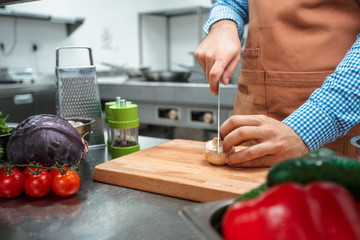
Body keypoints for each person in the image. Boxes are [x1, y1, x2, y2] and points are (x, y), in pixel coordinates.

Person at [194, 0, 360, 167]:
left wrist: (305, 129)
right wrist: (223, 24)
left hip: (334, 119)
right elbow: (233, 2)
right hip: (253, 109)